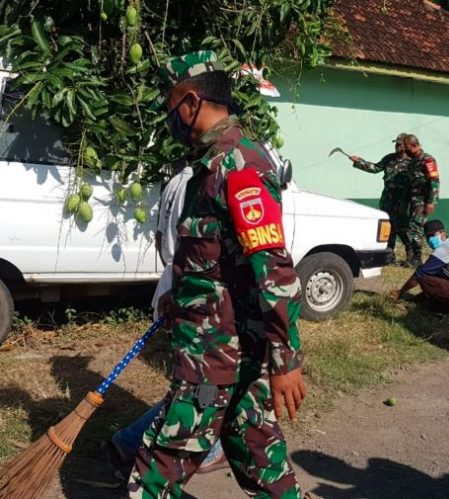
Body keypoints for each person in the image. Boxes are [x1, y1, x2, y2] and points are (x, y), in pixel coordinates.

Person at [127, 51, 307, 499]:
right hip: (225, 346)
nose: (170, 120)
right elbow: (217, 261)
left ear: (190, 102)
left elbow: (275, 270)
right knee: (259, 456)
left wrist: (286, 362)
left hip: (217, 353)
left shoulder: (238, 167)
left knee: (161, 464)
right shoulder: (211, 166)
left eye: (170, 109)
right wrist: (178, 299)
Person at [106, 167, 230, 479]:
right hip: (193, 288)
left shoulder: (177, 180)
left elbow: (162, 236)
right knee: (194, 386)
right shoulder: (210, 179)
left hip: (175, 279)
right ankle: (140, 444)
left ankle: (134, 441)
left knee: (190, 384)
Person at [349, 134, 412, 262]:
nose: (397, 146)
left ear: (406, 145)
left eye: (400, 144)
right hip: (387, 200)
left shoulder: (413, 162)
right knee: (387, 229)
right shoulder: (389, 158)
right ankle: (389, 258)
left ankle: (412, 258)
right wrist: (359, 161)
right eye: (396, 144)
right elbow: (375, 168)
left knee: (404, 230)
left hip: (403, 202)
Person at [395, 219, 449, 313]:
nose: (430, 239)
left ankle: (442, 309)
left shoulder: (444, 250)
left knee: (424, 278)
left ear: (443, 235)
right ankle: (438, 305)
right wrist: (412, 301)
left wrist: (400, 292)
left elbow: (420, 274)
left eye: (432, 235)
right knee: (431, 276)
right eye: (427, 237)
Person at [404, 134, 440, 268]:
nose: (405, 151)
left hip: (423, 200)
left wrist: (431, 201)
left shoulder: (428, 160)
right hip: (413, 199)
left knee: (415, 227)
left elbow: (434, 181)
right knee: (413, 227)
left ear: (415, 145)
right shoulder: (413, 160)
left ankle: (417, 259)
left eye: (407, 148)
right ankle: (414, 257)